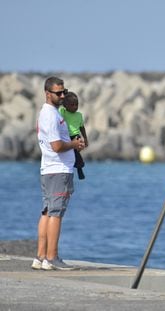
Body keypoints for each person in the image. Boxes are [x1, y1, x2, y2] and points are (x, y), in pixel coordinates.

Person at [31, 76, 85, 270]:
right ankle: (52, 258)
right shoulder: (51, 115)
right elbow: (56, 146)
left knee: (47, 211)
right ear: (48, 93)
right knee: (56, 213)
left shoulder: (51, 113)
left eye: (64, 91)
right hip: (58, 170)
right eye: (58, 93)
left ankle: (40, 257)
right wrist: (75, 144)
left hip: (49, 169)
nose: (63, 96)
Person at [59, 91, 88, 180]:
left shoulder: (79, 115)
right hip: (66, 136)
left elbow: (82, 127)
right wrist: (63, 95)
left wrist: (85, 138)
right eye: (72, 105)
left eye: (76, 104)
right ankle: (75, 167)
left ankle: (79, 168)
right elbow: (58, 105)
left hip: (76, 136)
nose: (75, 107)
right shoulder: (63, 111)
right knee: (70, 154)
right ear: (65, 105)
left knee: (76, 152)